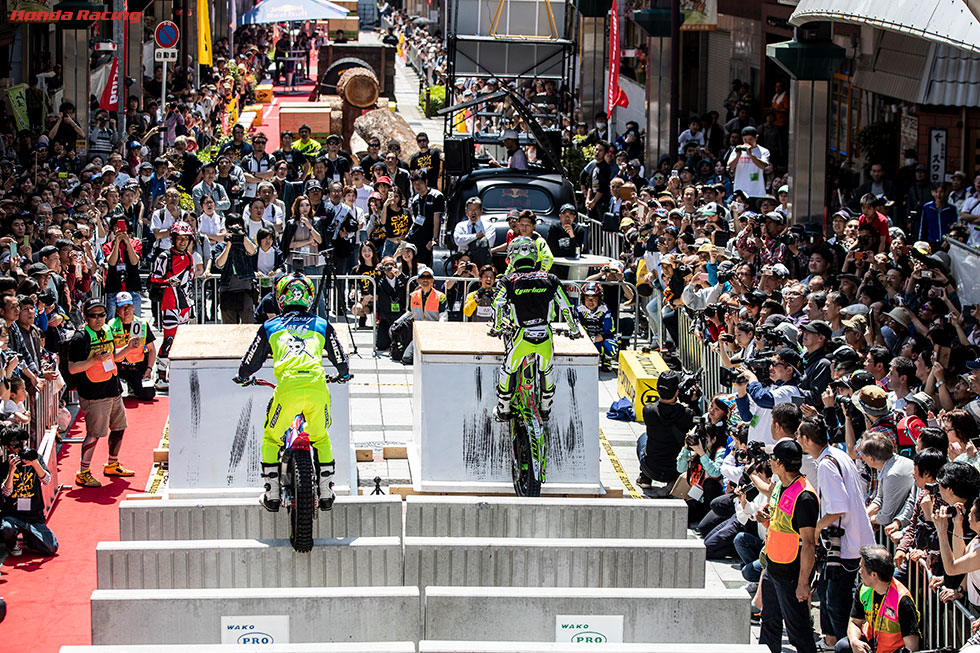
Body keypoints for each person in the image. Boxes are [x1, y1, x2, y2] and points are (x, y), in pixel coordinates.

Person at [234, 273, 350, 511]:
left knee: (270, 439)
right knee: (320, 438)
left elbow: (251, 360)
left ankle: (272, 495)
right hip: (318, 386)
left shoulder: (271, 325)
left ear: (280, 298)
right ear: (308, 298)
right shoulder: (321, 323)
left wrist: (243, 377)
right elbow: (340, 358)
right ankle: (327, 491)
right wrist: (343, 375)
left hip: (287, 388)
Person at [798, 417, 876, 646]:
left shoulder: (825, 464)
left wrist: (816, 527)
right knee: (827, 592)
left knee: (836, 601)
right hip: (854, 538)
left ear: (806, 439)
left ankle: (847, 645)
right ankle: (833, 640)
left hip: (847, 544)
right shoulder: (838, 454)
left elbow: (838, 508)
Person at [491, 237, 582, 421]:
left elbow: (498, 304)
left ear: (512, 257)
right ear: (535, 256)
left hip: (522, 335)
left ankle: (504, 408)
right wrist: (574, 329)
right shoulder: (551, 279)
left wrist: (497, 326)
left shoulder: (508, 280)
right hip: (545, 335)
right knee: (547, 369)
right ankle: (546, 408)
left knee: (507, 369)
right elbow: (566, 306)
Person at [758, 438, 819, 653]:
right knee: (769, 622)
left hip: (791, 572)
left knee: (798, 632)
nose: (770, 461)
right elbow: (777, 520)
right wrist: (763, 516)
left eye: (772, 458)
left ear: (781, 464)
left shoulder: (804, 496)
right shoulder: (780, 486)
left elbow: (809, 543)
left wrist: (803, 583)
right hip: (773, 565)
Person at [66, 298, 135, 488]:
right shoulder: (79, 338)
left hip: (113, 389)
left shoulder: (107, 331)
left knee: (119, 427)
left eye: (102, 315)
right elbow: (72, 368)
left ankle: (113, 463)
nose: (98, 319)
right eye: (93, 315)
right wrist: (93, 361)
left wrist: (129, 348)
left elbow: (113, 357)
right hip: (93, 394)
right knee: (94, 434)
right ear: (86, 316)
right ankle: (83, 472)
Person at [836, 545, 920, 653]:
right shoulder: (863, 589)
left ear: (874, 575)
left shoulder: (902, 601)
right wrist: (854, 641)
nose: (860, 571)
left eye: (862, 568)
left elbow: (912, 646)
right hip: (871, 645)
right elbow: (854, 623)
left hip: (892, 651)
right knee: (843, 647)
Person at [0, 427, 57, 573]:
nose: (19, 449)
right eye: (15, 446)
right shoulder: (5, 466)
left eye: (22, 444)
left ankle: (30, 539)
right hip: (13, 515)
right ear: (6, 447)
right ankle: (13, 544)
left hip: (34, 515)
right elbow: (6, 492)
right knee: (6, 529)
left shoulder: (34, 458)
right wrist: (11, 471)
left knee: (51, 548)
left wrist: (34, 463)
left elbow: (47, 480)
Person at [147, 221, 195, 390]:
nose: (183, 242)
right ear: (173, 239)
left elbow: (190, 279)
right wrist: (167, 282)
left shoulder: (189, 257)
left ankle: (178, 375)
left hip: (185, 304)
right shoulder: (164, 256)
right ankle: (160, 375)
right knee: (169, 339)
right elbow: (153, 279)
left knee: (183, 342)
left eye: (186, 239)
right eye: (179, 238)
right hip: (169, 303)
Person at [108, 292, 156, 401]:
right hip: (117, 367)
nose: (126, 310)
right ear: (117, 310)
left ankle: (133, 385)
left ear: (134, 307)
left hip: (137, 367)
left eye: (128, 306)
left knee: (148, 394)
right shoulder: (110, 325)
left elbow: (152, 350)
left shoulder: (142, 323)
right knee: (112, 395)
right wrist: (128, 348)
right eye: (122, 307)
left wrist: (149, 369)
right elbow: (110, 356)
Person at [576, 282, 618, 371]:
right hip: (583, 339)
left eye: (594, 299)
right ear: (583, 299)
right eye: (587, 299)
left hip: (599, 339)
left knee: (611, 344)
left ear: (599, 299)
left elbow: (610, 331)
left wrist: (600, 337)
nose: (590, 302)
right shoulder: (578, 310)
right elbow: (574, 327)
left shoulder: (605, 310)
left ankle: (606, 360)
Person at [727, 126, 770, 200]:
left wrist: (750, 154)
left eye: (750, 139)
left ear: (756, 138)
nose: (748, 142)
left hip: (757, 192)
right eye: (745, 140)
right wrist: (738, 156)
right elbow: (730, 167)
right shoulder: (737, 150)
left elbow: (763, 166)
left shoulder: (763, 151)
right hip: (740, 191)